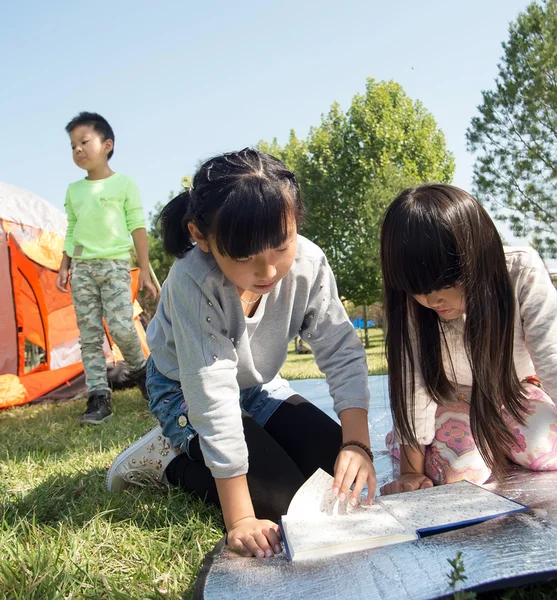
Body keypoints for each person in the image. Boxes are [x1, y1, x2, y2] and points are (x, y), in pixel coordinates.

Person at [105, 148, 376, 559]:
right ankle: (168, 462)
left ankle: (233, 449)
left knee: (336, 474)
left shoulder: (310, 262)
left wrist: (358, 444)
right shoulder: (192, 280)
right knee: (288, 504)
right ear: (201, 237)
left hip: (256, 385)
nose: (267, 272)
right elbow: (210, 393)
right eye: (245, 257)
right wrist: (240, 520)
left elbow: (340, 348)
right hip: (185, 389)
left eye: (281, 247)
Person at [379, 184, 557, 495]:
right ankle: (472, 440)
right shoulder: (412, 307)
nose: (434, 299)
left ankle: (493, 438)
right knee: (463, 474)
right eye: (418, 288)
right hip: (451, 398)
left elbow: (551, 356)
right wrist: (410, 470)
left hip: (511, 390)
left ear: (479, 256)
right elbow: (414, 385)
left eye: (447, 282)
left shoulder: (522, 272)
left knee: (547, 449)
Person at [56, 112, 157, 425]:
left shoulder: (124, 184)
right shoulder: (74, 190)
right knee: (88, 335)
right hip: (83, 268)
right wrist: (64, 265)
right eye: (73, 146)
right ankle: (98, 396)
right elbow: (72, 229)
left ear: (107, 144)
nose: (78, 150)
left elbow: (138, 226)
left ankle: (144, 374)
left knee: (122, 327)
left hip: (115, 266)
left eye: (84, 142)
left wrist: (144, 268)